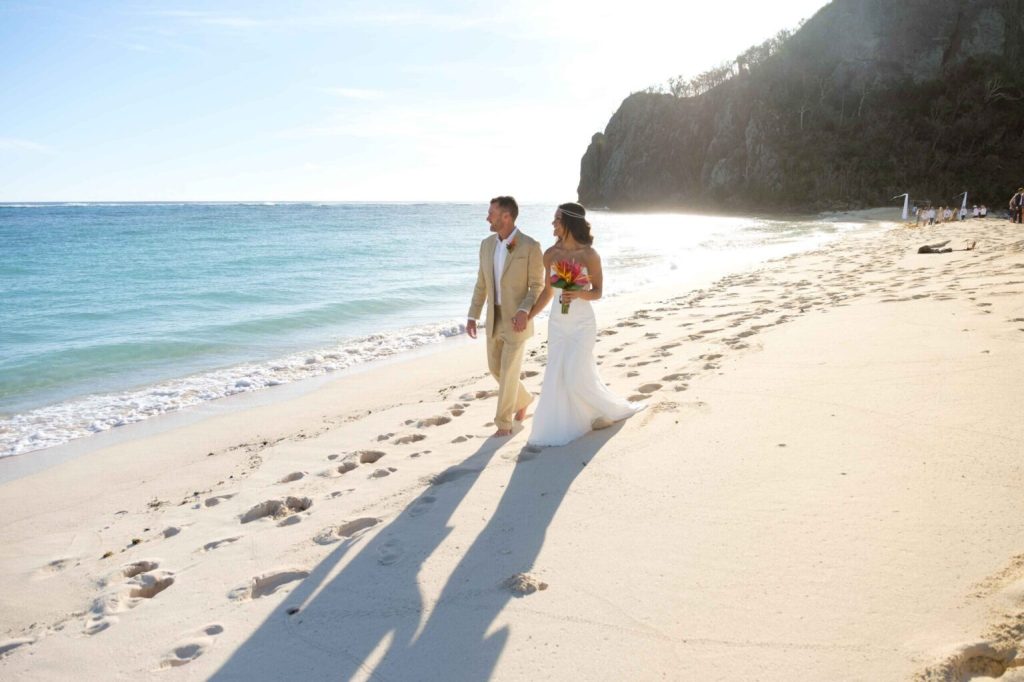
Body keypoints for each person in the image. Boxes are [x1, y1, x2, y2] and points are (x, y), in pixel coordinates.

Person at [525, 202, 643, 447]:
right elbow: (548, 292)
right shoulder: (550, 254)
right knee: (557, 373)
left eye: (556, 219)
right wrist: (529, 315)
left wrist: (579, 294)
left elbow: (598, 292)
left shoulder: (590, 255)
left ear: (568, 222)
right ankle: (569, 423)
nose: (552, 224)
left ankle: (607, 410)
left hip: (582, 323)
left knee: (574, 373)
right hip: (557, 323)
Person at [466, 196, 545, 437]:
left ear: (506, 217)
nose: (487, 217)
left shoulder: (530, 246)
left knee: (509, 370)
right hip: (493, 317)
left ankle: (503, 423)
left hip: (517, 320)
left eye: (491, 213)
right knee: (495, 369)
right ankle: (523, 400)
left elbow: (536, 286)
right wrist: (473, 315)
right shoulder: (486, 245)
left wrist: (524, 311)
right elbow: (482, 284)